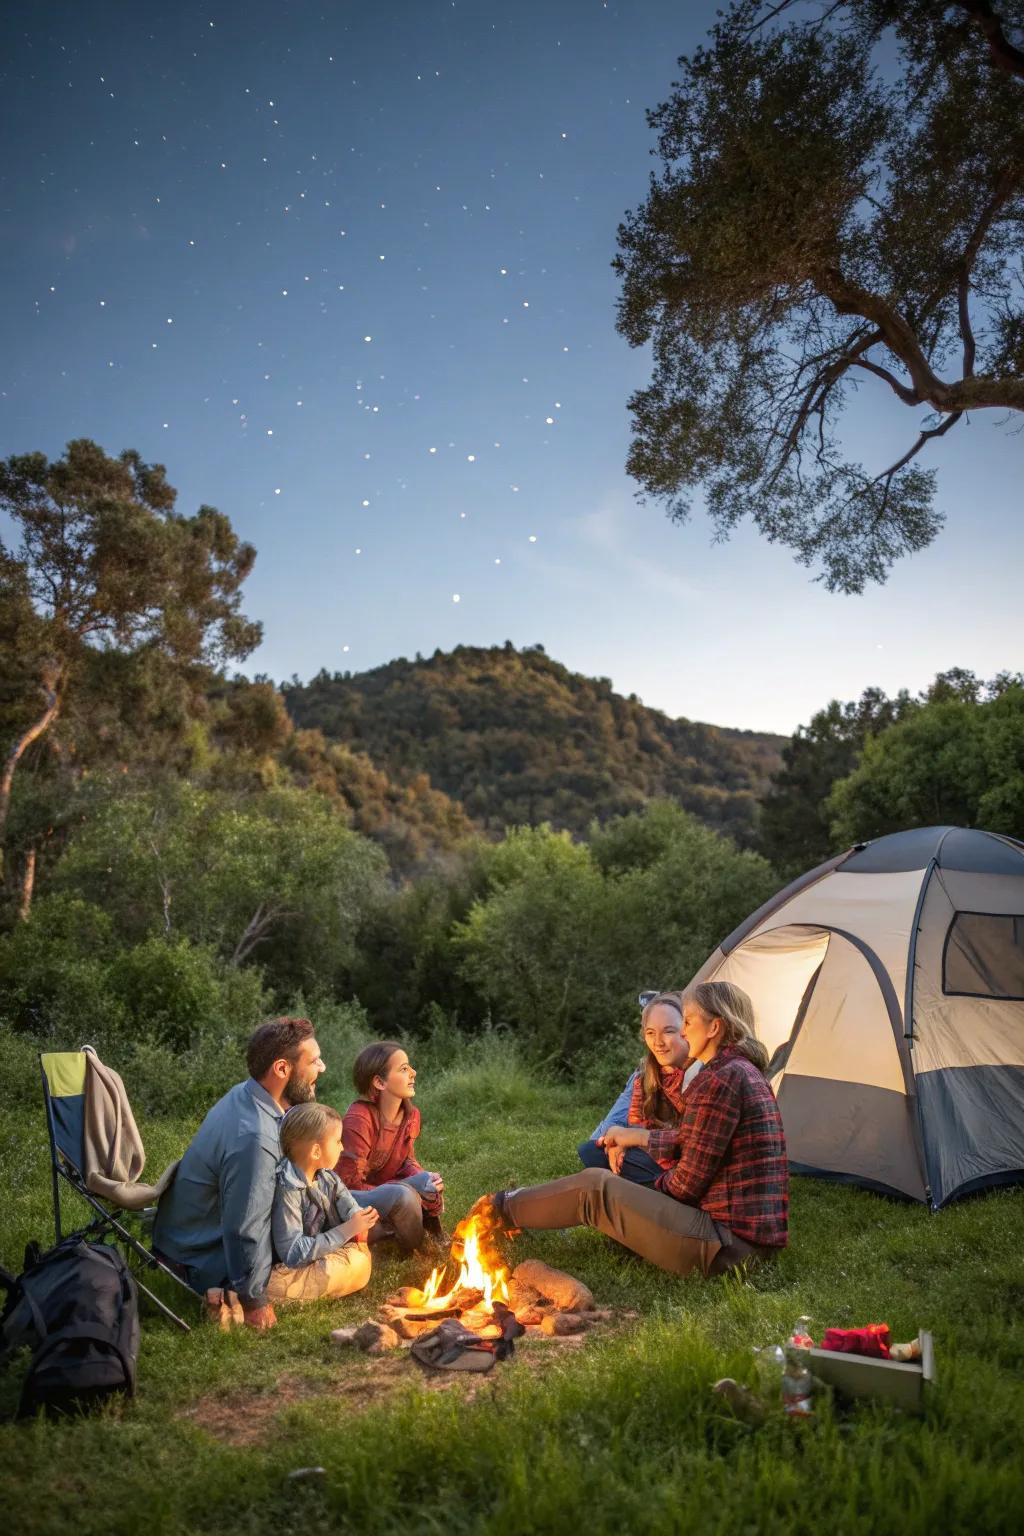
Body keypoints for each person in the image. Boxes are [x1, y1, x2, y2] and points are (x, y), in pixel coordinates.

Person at [482, 982, 788, 1278]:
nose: (682, 1031)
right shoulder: (738, 1070)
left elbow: (686, 1186)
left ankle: (496, 1211)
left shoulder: (720, 1079)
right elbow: (696, 1139)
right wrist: (639, 1139)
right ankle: (505, 1209)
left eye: (688, 1022)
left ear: (714, 1028)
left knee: (595, 1189)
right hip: (745, 1241)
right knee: (605, 1179)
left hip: (726, 1248)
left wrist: (635, 1195)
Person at [153, 1016, 326, 1332]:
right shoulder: (256, 1138)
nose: (322, 1068)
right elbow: (244, 1228)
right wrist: (253, 1301)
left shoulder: (245, 1095)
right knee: (354, 1263)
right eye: (314, 1061)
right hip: (203, 1259)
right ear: (282, 1070)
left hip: (183, 1241)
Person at [337, 1041, 445, 1253]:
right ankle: (412, 1251)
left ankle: (428, 1235)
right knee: (404, 1195)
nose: (413, 1073)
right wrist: (404, 1187)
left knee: (426, 1183)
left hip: (386, 1189)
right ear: (379, 1082)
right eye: (404, 1069)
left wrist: (423, 1178)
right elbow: (348, 1184)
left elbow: (406, 1160)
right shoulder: (359, 1118)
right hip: (351, 1198)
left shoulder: (411, 1115)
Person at [578, 991, 695, 1186]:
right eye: (651, 1033)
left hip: (684, 1165)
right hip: (654, 1154)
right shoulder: (646, 1075)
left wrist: (630, 1138)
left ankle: (645, 1191)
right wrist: (621, 1142)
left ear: (686, 1031)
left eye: (668, 1031)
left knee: (600, 1162)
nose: (658, 1043)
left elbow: (694, 1142)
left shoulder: (701, 1073)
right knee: (590, 1150)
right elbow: (637, 1124)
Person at [266, 1103, 377, 1303]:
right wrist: (347, 1230)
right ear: (316, 1152)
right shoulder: (287, 1190)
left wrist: (359, 1217)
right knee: (276, 1286)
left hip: (320, 1255)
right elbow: (293, 1252)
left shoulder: (328, 1178)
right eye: (337, 1141)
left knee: (358, 1262)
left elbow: (347, 1204)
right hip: (290, 1266)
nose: (342, 1147)